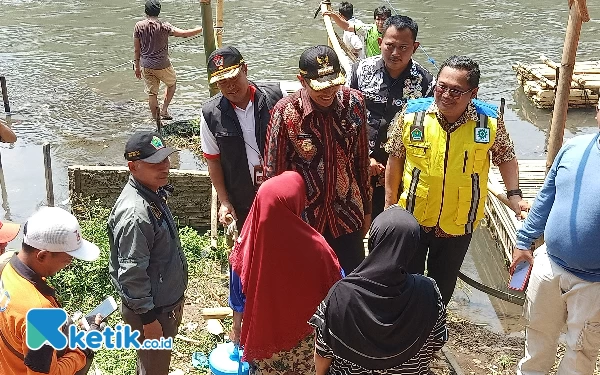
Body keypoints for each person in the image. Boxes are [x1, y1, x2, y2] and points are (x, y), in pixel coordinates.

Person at [384, 55, 528, 305]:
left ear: (473, 93)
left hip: (459, 221)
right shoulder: (413, 114)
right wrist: (389, 204)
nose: (446, 95)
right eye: (441, 86)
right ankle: (406, 328)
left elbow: (506, 157)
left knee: (443, 285)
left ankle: (433, 329)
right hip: (412, 217)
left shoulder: (489, 120)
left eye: (456, 90)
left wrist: (514, 195)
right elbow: (395, 158)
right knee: (405, 279)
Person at [264, 45, 372, 275]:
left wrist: (367, 211)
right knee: (307, 284)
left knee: (351, 284)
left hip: (347, 214)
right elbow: (273, 174)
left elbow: (362, 161)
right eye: (320, 87)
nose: (328, 92)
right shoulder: (285, 113)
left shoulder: (355, 104)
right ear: (302, 81)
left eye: (334, 84)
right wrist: (278, 224)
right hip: (304, 220)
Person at [511, 100, 600, 374]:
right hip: (550, 264)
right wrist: (524, 240)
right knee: (537, 336)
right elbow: (545, 198)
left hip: (594, 283)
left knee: (580, 351)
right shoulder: (574, 148)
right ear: (598, 111)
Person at [309, 206, 448, 375]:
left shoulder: (340, 295)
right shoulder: (429, 291)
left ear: (374, 240)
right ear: (412, 246)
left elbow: (323, 353)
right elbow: (436, 342)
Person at [228, 171, 342, 374]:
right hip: (305, 346)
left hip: (263, 347)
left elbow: (238, 299)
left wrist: (237, 331)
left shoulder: (245, 246)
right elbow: (337, 288)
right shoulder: (318, 248)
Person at [108, 131, 187, 375]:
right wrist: (149, 320)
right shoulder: (135, 214)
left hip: (164, 304)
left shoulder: (152, 192)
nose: (164, 167)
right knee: (154, 368)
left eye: (165, 158)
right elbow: (131, 272)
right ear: (133, 167)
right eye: (155, 162)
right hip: (152, 312)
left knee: (154, 363)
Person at [349, 15, 434, 219]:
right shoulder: (360, 71)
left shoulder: (425, 82)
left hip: (401, 168)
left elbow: (428, 130)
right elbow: (347, 117)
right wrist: (364, 156)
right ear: (380, 43)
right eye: (390, 45)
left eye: (403, 47)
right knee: (357, 220)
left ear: (415, 47)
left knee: (392, 224)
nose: (395, 53)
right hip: (361, 162)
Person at [0, 207, 101, 375]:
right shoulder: (39, 311)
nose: (68, 265)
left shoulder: (9, 268)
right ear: (42, 256)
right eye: (68, 260)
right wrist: (84, 348)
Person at [200, 46, 285, 231]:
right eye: (222, 82)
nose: (230, 86)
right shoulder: (210, 114)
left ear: (245, 69)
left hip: (282, 194)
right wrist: (224, 201)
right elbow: (213, 162)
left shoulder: (277, 96)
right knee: (250, 252)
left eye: (233, 78)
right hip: (242, 199)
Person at [134, 0, 203, 120]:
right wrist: (202, 28)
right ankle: (164, 110)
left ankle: (156, 121)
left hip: (146, 65)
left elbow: (136, 50)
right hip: (162, 65)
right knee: (172, 84)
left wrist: (137, 66)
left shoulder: (138, 26)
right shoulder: (164, 26)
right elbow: (184, 34)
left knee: (152, 93)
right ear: (159, 11)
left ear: (146, 11)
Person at [324, 6, 392, 58]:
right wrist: (334, 15)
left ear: (389, 20)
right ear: (374, 19)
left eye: (383, 19)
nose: (380, 22)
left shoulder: (393, 32)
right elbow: (347, 26)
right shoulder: (368, 29)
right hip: (372, 65)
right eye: (378, 19)